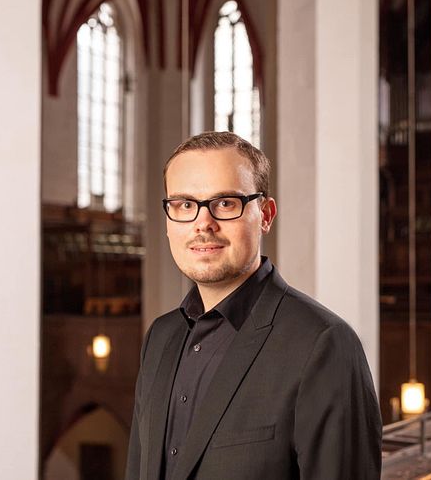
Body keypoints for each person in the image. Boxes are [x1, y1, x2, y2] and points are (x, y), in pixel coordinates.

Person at [125, 132, 382, 480]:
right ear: (169, 220)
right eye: (185, 205)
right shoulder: (160, 337)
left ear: (265, 215)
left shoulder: (324, 345)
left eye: (226, 203)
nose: (203, 223)